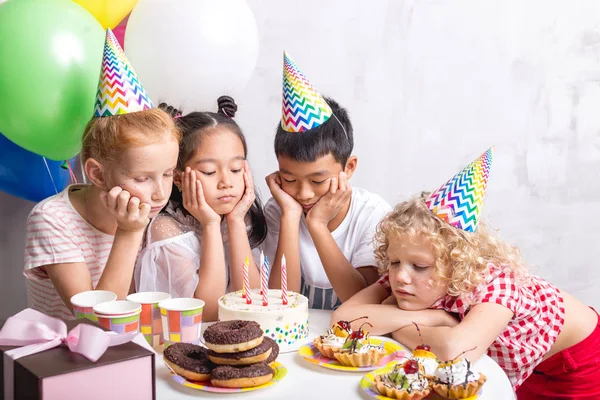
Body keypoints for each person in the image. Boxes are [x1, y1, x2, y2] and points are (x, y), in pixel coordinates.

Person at [331, 148, 600, 398]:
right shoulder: (409, 272)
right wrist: (431, 318)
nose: (401, 275)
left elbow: (454, 350)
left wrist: (400, 324)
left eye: (420, 267)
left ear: (457, 265)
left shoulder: (496, 285)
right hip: (515, 361)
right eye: (394, 262)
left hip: (576, 364)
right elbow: (343, 318)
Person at [24, 29, 181, 319]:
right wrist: (129, 232)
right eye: (142, 178)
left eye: (168, 173)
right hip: (68, 359)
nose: (160, 192)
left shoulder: (150, 207)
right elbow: (95, 323)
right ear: (96, 173)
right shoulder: (52, 220)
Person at [263, 52, 391, 310]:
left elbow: (362, 303)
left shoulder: (372, 214)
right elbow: (279, 303)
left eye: (318, 180)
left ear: (349, 167)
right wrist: (289, 216)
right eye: (288, 178)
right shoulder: (279, 209)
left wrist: (318, 225)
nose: (304, 193)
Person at [135, 96, 267, 321]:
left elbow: (252, 302)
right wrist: (211, 224)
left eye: (236, 169)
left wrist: (234, 222)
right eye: (209, 172)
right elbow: (207, 314)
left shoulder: (238, 218)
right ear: (178, 178)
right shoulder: (166, 229)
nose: (226, 182)